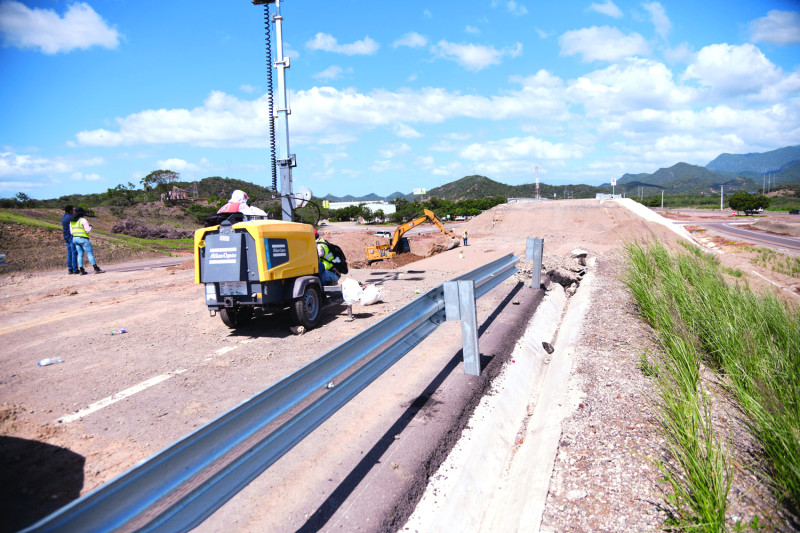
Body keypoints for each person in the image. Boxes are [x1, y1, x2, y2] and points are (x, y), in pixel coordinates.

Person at [70, 207, 104, 275]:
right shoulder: (83, 220)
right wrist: (91, 227)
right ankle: (96, 268)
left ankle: (81, 269)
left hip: (75, 239)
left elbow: (71, 232)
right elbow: (88, 230)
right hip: (83, 238)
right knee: (90, 253)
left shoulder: (71, 221)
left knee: (80, 254)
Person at [62, 205, 78, 274]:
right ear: (70, 211)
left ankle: (70, 268)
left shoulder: (63, 217)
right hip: (71, 236)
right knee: (74, 252)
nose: (73, 211)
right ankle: (75, 269)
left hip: (66, 236)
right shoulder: (71, 217)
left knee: (69, 253)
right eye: (73, 210)